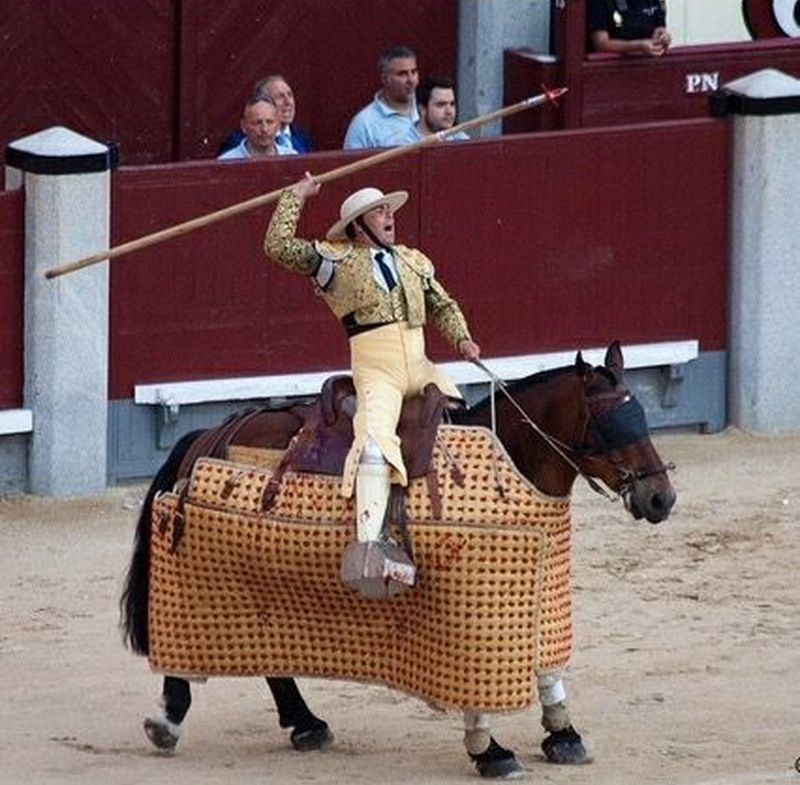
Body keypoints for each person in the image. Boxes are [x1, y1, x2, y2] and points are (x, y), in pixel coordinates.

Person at [264, 172, 480, 596]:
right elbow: (277, 247)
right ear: (358, 227)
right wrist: (295, 197)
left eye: (388, 209)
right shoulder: (334, 262)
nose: (388, 216)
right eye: (378, 212)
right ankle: (369, 548)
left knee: (464, 421)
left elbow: (442, 304)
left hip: (419, 364)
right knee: (375, 444)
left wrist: (462, 337)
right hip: (376, 369)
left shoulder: (413, 261)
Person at [343, 45, 420, 149]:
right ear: (385, 79)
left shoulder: (433, 108)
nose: (411, 80)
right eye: (402, 74)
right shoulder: (364, 124)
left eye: (414, 72)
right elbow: (353, 164)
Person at [218, 76, 312, 156]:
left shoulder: (301, 137)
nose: (288, 102)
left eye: (290, 95)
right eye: (280, 97)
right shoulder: (236, 142)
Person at [218, 96, 297, 159]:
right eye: (257, 123)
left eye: (269, 122)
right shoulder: (227, 162)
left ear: (278, 125)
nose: (264, 129)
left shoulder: (292, 158)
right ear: (244, 126)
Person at [586, 0, 671, 56]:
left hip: (648, 66)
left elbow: (660, 27)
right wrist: (639, 46)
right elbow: (600, 43)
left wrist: (662, 37)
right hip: (611, 69)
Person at [404, 75, 470, 143]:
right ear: (422, 109)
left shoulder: (460, 139)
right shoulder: (404, 144)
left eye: (452, 104)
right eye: (441, 105)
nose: (449, 111)